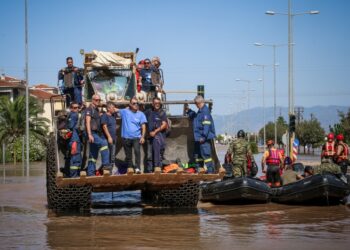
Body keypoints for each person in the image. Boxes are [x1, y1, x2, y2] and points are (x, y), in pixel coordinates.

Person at [186, 95, 216, 174]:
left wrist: (203, 137)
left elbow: (206, 126)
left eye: (196, 103)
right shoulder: (200, 112)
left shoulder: (205, 112)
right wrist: (189, 111)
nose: (196, 105)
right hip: (198, 138)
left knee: (206, 155)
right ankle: (200, 169)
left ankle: (210, 171)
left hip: (203, 139)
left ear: (199, 103)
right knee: (198, 155)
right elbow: (195, 117)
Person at [119, 97, 147, 174]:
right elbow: (113, 109)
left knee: (137, 151)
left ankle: (138, 168)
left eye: (137, 103)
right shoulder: (124, 111)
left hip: (136, 137)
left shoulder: (141, 114)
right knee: (128, 155)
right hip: (126, 138)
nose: (136, 105)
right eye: (134, 103)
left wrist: (143, 137)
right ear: (130, 104)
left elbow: (143, 126)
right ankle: (130, 168)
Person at [86, 94, 110, 176]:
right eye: (96, 100)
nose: (98, 101)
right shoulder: (89, 109)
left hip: (96, 133)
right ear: (92, 100)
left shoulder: (96, 110)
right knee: (104, 144)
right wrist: (89, 134)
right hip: (92, 133)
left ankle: (90, 173)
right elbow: (87, 122)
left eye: (99, 100)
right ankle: (106, 165)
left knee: (93, 154)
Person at [144, 97, 168, 173]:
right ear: (152, 104)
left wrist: (155, 132)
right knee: (149, 155)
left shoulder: (162, 113)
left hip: (158, 138)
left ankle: (157, 169)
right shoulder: (148, 112)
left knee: (158, 155)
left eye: (158, 103)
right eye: (156, 103)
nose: (157, 104)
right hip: (149, 138)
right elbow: (140, 116)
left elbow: (164, 125)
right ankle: (149, 171)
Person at [65, 102, 82, 177]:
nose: (77, 109)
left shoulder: (70, 115)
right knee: (75, 157)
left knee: (74, 157)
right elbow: (71, 126)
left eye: (78, 108)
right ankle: (74, 176)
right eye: (75, 108)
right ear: (71, 108)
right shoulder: (74, 115)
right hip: (74, 140)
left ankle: (73, 174)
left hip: (73, 139)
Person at [101, 102, 118, 173]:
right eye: (112, 107)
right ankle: (106, 171)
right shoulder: (104, 116)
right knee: (107, 155)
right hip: (107, 139)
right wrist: (109, 137)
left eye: (114, 107)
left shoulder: (113, 115)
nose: (114, 109)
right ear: (108, 108)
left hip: (114, 139)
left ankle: (111, 170)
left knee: (113, 155)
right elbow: (104, 126)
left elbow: (117, 110)